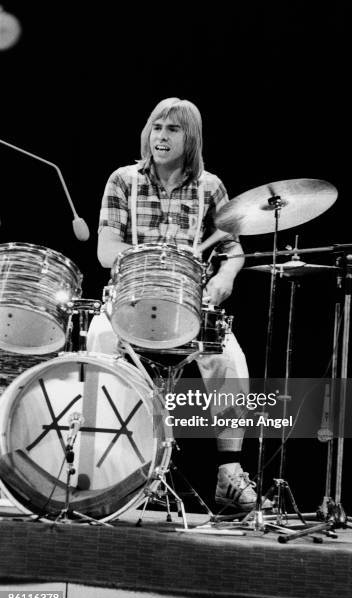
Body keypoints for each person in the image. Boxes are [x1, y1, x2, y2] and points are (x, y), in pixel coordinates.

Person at [87, 97, 270, 511]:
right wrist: (153, 265)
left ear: (192, 139)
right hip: (132, 296)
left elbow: (233, 250)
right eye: (156, 127)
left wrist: (224, 277)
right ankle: (104, 467)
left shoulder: (211, 187)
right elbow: (105, 249)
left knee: (231, 363)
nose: (162, 137)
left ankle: (229, 472)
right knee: (98, 342)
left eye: (173, 129)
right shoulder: (123, 180)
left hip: (190, 305)